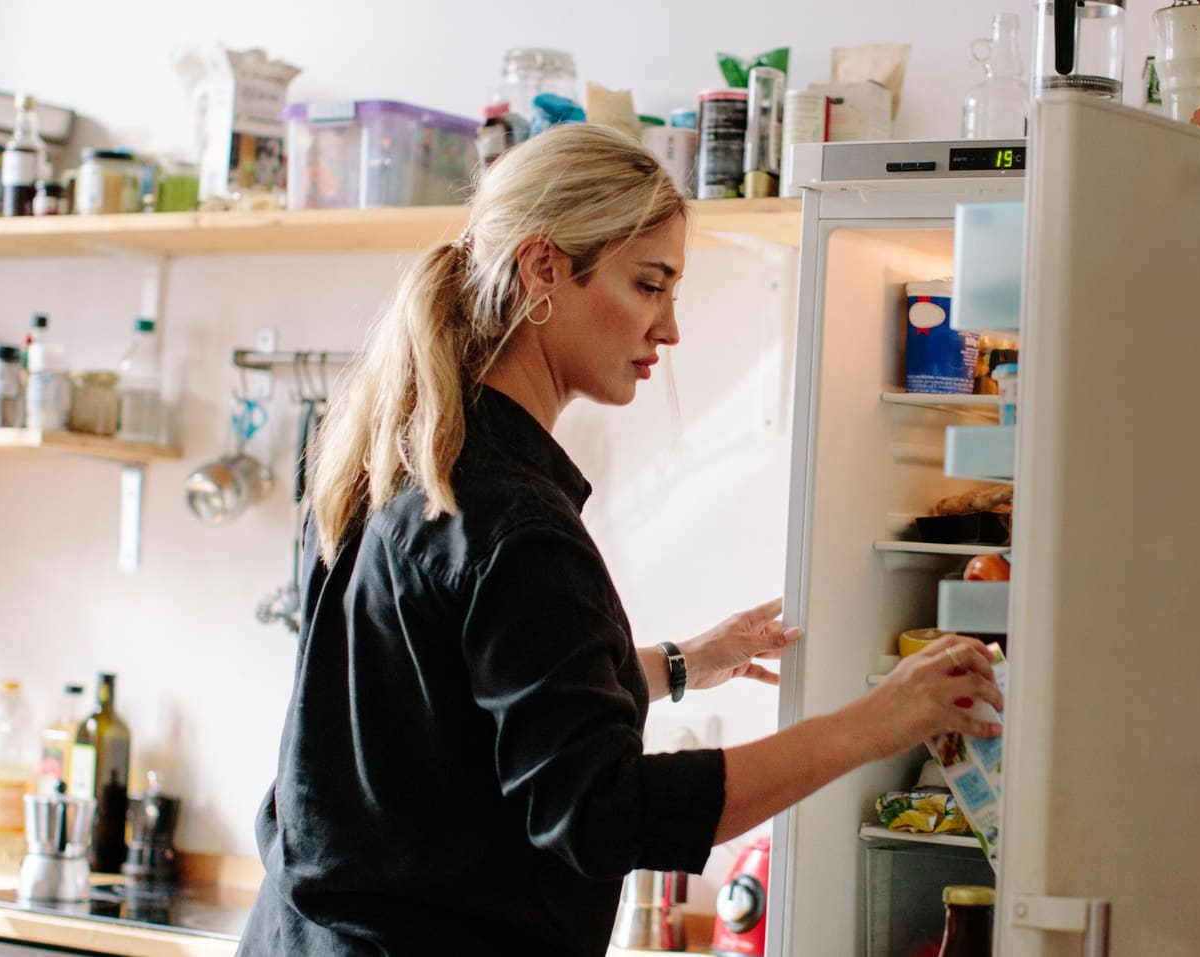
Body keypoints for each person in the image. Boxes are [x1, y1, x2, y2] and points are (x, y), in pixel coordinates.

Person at [238, 124, 1005, 956]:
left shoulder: (396, 464)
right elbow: (603, 813)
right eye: (649, 285)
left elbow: (472, 704)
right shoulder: (517, 526)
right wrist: (875, 722)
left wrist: (681, 663)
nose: (669, 329)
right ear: (543, 269)